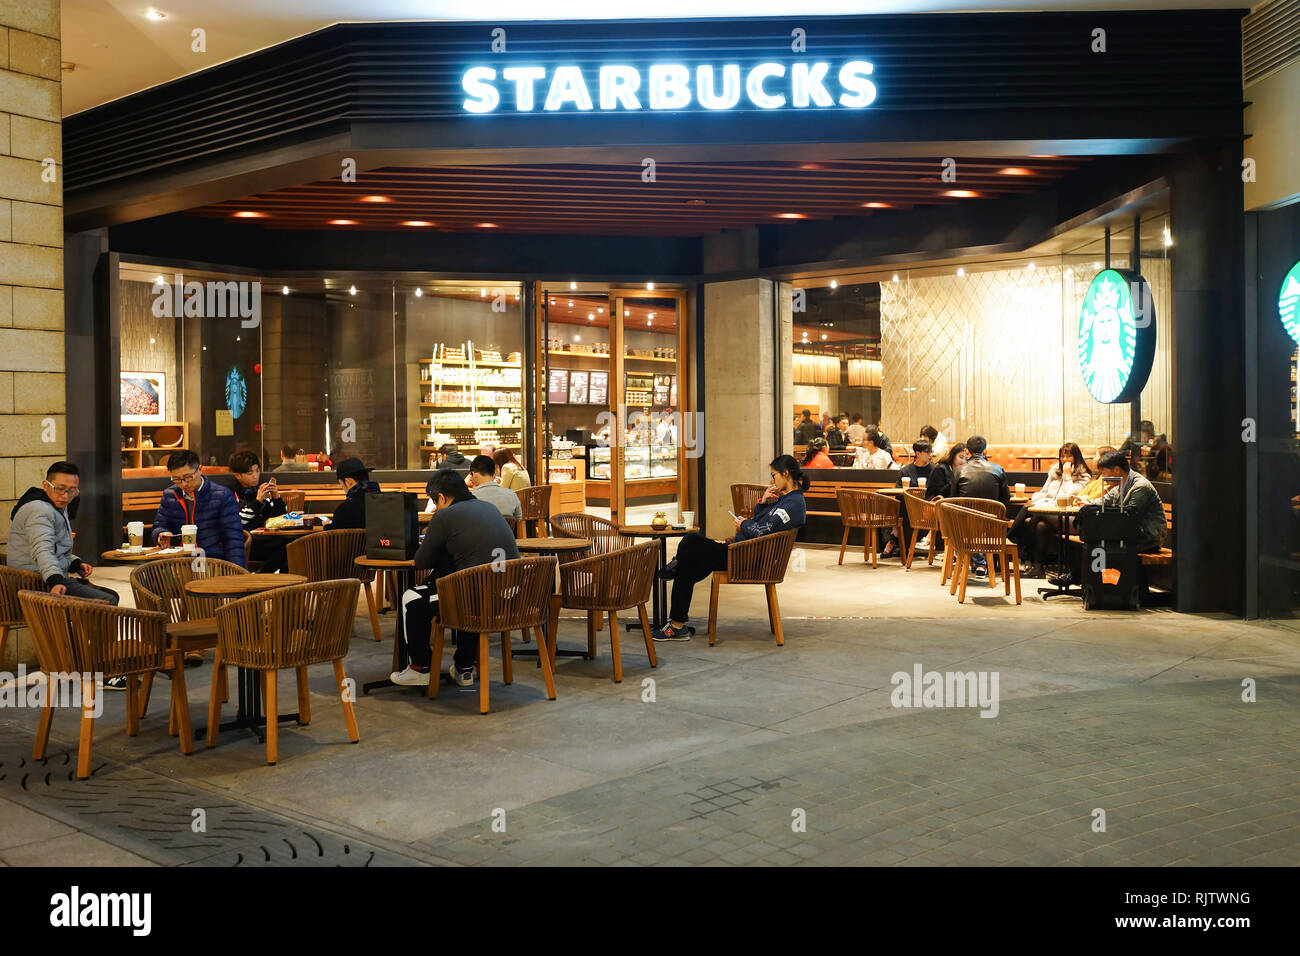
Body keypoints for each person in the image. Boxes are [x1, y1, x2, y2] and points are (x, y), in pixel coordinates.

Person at [652, 456, 808, 642]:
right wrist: (763, 503)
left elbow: (759, 532)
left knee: (691, 539)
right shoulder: (787, 500)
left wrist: (742, 524)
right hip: (742, 551)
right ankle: (677, 625)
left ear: (786, 473)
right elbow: (761, 523)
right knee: (688, 568)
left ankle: (675, 568)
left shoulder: (793, 504)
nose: (772, 481)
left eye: (774, 476)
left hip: (746, 556)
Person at [390, 469, 521, 687]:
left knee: (412, 599)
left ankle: (420, 668)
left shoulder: (444, 515)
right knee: (466, 589)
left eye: (435, 501)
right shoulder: (489, 508)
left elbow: (421, 562)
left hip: (477, 598)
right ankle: (464, 668)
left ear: (441, 497)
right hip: (510, 598)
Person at [1054, 450, 1167, 592]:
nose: (1103, 477)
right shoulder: (1122, 484)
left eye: (1105, 472)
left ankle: (1091, 582)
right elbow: (1105, 500)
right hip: (1132, 533)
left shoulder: (1140, 486)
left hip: (1149, 536)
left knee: (1101, 542)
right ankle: (1085, 579)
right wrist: (1088, 502)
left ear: (1117, 470)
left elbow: (1130, 515)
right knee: (1092, 539)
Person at [9, 461, 118, 604]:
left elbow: (55, 547)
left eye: (72, 491)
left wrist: (75, 564)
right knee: (107, 600)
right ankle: (76, 627)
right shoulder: (39, 511)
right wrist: (55, 581)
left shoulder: (54, 505)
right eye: (60, 489)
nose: (66, 496)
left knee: (111, 595)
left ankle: (79, 627)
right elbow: (43, 550)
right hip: (35, 583)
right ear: (46, 485)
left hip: (43, 576)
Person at [1010, 443, 1092, 578]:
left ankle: (1015, 543)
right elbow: (1043, 492)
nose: (1065, 459)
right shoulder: (1054, 472)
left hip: (1067, 516)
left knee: (1028, 509)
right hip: (1049, 510)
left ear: (1076, 457)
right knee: (1040, 525)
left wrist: (1067, 476)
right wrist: (1039, 501)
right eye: (1062, 456)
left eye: (1069, 456)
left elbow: (1069, 496)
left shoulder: (1083, 476)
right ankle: (1038, 567)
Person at [152, 450, 245, 566]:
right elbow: (159, 525)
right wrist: (161, 534)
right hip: (177, 562)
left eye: (188, 477)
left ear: (200, 469)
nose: (184, 484)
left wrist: (237, 575)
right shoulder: (170, 495)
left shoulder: (222, 495)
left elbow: (233, 539)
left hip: (212, 562)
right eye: (176, 479)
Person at [952, 435, 1010, 582]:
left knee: (969, 520)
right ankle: (985, 565)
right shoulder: (998, 469)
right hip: (992, 527)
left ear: (966, 451)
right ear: (985, 451)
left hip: (965, 528)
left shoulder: (959, 471)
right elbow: (1005, 501)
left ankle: (977, 563)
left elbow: (952, 501)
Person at [229, 451, 290, 573]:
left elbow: (279, 518)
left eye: (257, 471)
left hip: (264, 538)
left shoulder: (257, 489)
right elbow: (240, 520)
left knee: (291, 544)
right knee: (287, 547)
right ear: (237, 475)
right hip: (244, 543)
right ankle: (261, 575)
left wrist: (276, 497)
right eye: (250, 473)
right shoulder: (230, 493)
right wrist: (258, 501)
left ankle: (271, 579)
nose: (255, 476)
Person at [884, 440, 934, 559]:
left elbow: (936, 490)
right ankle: (895, 534)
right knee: (898, 502)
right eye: (927, 452)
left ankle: (893, 537)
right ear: (918, 453)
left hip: (927, 505)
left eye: (931, 452)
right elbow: (899, 490)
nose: (930, 455)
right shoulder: (906, 471)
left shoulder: (934, 469)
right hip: (908, 505)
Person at [467, 454, 522, 523]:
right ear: (494, 474)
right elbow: (518, 519)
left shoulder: (470, 498)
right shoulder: (512, 494)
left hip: (480, 533)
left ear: (474, 474)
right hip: (505, 533)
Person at [330, 457, 380, 529]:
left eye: (341, 485)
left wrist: (326, 526)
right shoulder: (387, 502)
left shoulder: (345, 510)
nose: (343, 489)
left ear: (348, 481)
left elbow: (334, 535)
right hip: (383, 540)